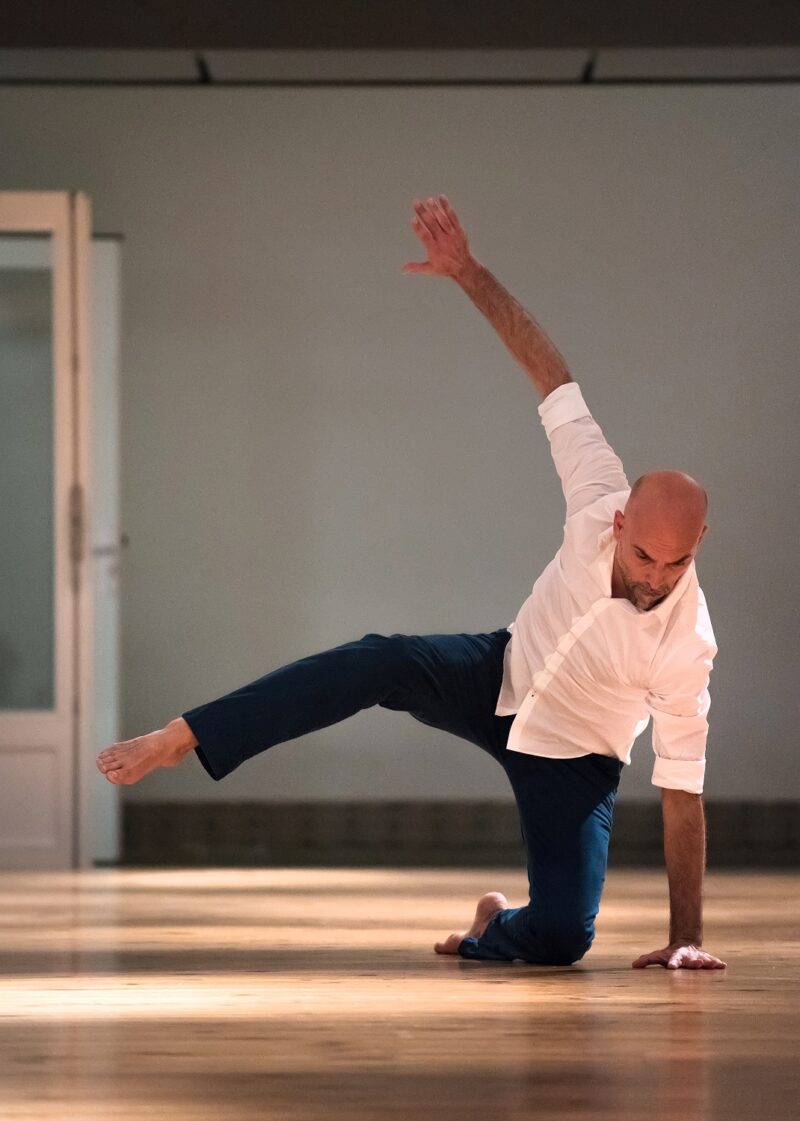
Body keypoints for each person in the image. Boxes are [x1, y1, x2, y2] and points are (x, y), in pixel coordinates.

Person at [97, 196, 726, 971]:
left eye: (677, 564)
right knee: (378, 658)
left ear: (699, 546)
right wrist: (468, 272)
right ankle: (187, 733)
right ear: (623, 521)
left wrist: (688, 935)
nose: (655, 580)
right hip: (498, 673)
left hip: (576, 753)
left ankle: (493, 921)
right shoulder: (597, 491)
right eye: (644, 560)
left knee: (563, 941)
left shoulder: (687, 642)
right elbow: (550, 374)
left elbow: (682, 792)